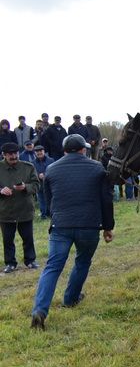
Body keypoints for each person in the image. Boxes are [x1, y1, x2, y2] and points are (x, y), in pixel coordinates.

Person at [30, 135, 114, 330]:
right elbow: (106, 200)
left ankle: (40, 310)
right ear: (83, 150)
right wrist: (108, 227)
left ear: (64, 150)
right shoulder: (97, 168)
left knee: (52, 267)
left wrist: (56, 216)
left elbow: (49, 199)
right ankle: (70, 299)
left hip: (61, 225)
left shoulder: (51, 169)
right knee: (82, 261)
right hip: (89, 225)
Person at [1, 142, 40, 273]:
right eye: (10, 154)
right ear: (4, 155)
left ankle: (30, 260)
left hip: (25, 209)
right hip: (5, 210)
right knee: (7, 239)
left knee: (28, 237)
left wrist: (25, 187)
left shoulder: (28, 167)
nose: (13, 156)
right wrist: (1, 190)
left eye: (15, 153)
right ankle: (10, 263)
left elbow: (36, 185)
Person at [32, 145, 54, 218]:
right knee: (41, 200)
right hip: (39, 185)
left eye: (40, 151)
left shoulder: (51, 160)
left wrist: (44, 174)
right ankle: (43, 214)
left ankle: (51, 213)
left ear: (44, 151)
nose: (39, 153)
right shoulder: (32, 163)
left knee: (50, 199)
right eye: (37, 151)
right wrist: (38, 175)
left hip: (49, 184)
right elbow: (32, 173)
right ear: (35, 153)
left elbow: (53, 171)